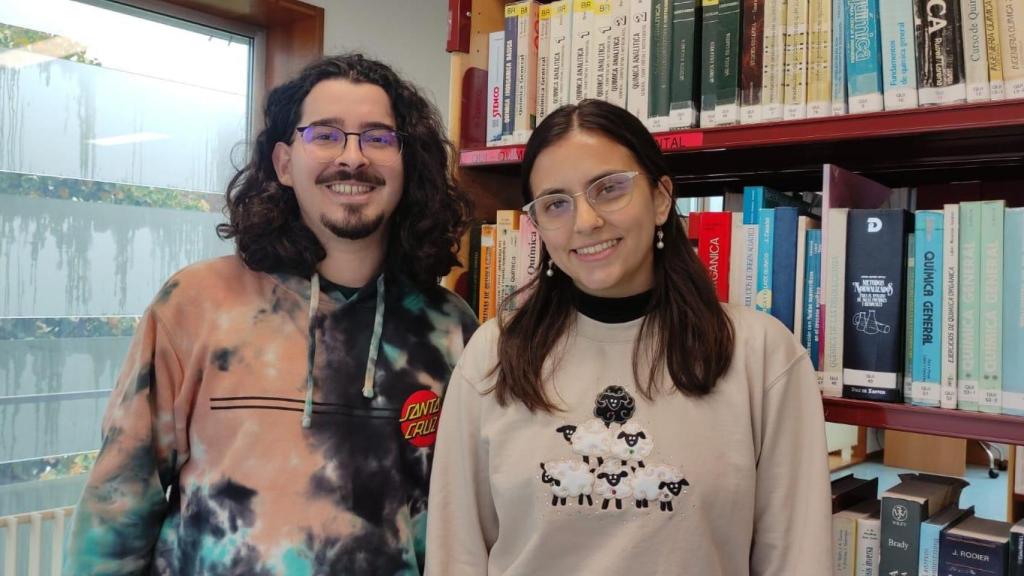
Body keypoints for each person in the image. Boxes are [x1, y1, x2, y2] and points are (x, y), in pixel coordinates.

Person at [64, 53, 478, 575]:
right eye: (325, 135)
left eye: (378, 138)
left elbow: (461, 522)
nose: (352, 158)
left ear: (407, 163)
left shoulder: (449, 329)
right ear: (284, 164)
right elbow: (117, 506)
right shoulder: (197, 302)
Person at [424, 99, 831, 576]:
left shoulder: (762, 355)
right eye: (556, 203)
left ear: (660, 198)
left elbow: (797, 557)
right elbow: (457, 554)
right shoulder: (493, 355)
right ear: (537, 226)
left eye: (609, 188)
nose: (585, 221)